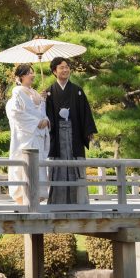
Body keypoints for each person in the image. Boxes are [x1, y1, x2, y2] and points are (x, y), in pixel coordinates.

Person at [44, 57, 96, 205]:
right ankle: (57, 201)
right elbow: (44, 117)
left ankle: (79, 201)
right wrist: (42, 100)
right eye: (61, 67)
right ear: (54, 71)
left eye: (67, 67)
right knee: (58, 167)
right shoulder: (48, 93)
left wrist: (88, 130)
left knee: (76, 167)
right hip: (57, 136)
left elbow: (85, 113)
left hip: (75, 136)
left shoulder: (77, 91)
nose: (65, 70)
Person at [5, 63, 50, 205]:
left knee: (38, 165)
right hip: (26, 136)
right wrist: (36, 122)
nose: (33, 75)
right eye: (30, 72)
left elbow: (42, 112)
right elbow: (16, 114)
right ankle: (24, 197)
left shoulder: (35, 92)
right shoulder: (18, 92)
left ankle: (37, 196)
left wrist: (46, 120)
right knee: (25, 165)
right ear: (22, 76)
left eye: (33, 72)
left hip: (38, 135)